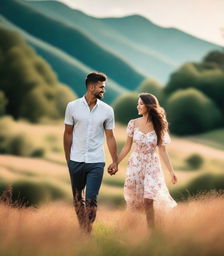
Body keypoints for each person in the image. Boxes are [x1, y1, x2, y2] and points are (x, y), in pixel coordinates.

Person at [63, 72, 118, 233]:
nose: (103, 90)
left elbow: (110, 137)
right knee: (77, 198)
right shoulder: (72, 107)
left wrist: (115, 160)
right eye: (101, 87)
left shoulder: (108, 111)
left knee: (91, 200)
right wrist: (69, 160)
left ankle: (88, 228)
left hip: (96, 161)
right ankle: (84, 230)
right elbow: (67, 134)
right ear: (91, 86)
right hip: (76, 160)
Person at [115, 93, 177, 228]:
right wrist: (116, 162)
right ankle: (131, 229)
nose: (138, 106)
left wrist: (171, 172)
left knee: (148, 199)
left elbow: (162, 151)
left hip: (152, 165)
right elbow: (127, 146)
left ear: (149, 106)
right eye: (138, 103)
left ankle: (152, 232)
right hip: (136, 164)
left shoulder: (159, 125)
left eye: (141, 103)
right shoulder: (133, 123)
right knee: (135, 202)